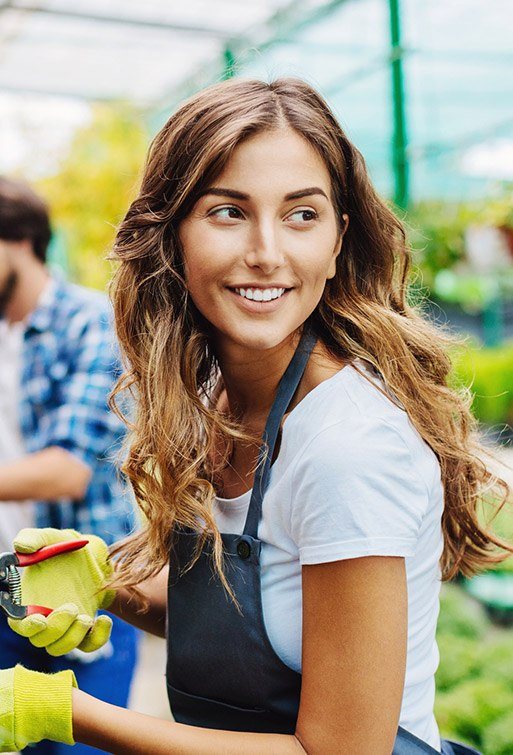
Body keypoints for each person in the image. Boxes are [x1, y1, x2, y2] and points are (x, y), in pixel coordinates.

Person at [0, 78, 509, 754]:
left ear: (336, 242)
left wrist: (58, 710)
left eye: (302, 214)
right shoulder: (213, 394)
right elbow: (254, 633)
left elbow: (340, 750)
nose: (267, 251)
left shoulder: (344, 446)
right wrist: (109, 586)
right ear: (171, 232)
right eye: (228, 212)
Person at [0, 177, 139, 755]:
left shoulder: (91, 322)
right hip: (2, 585)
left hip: (80, 596)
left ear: (20, 239)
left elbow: (69, 470)